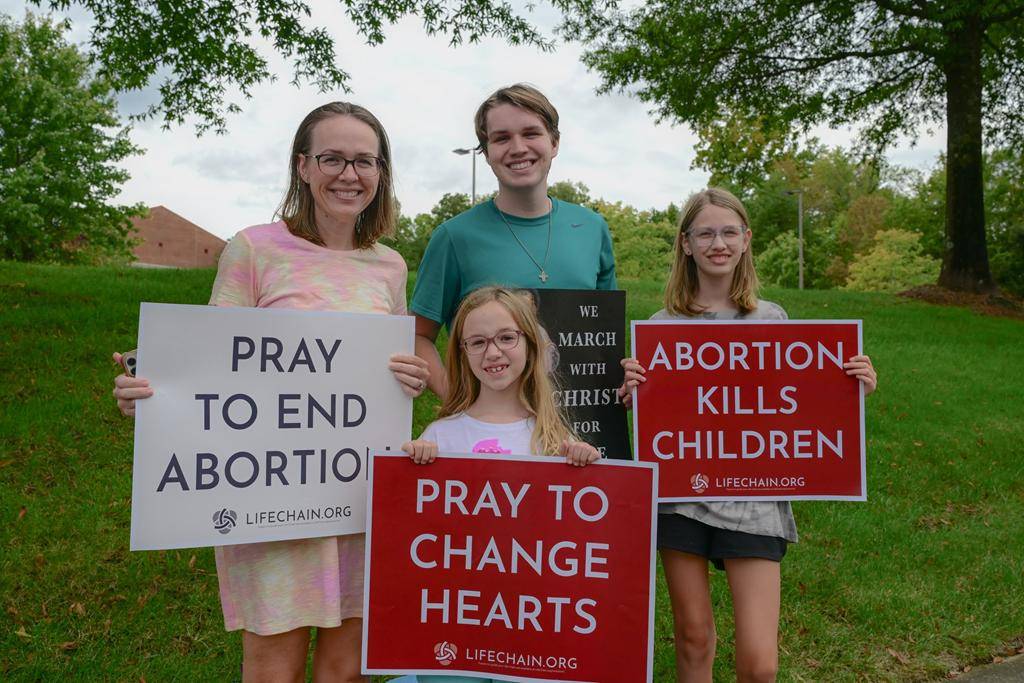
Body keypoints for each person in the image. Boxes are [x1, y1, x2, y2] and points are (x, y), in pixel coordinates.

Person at [112, 101, 430, 682]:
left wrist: (408, 378)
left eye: (365, 161)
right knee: (272, 666)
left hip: (357, 495)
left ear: (381, 172)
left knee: (346, 667)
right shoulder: (255, 249)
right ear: (303, 166)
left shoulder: (389, 266)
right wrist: (153, 393)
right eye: (332, 158)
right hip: (271, 498)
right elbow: (213, 362)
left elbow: (384, 369)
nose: (349, 174)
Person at [618, 188, 877, 683]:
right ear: (686, 244)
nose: (718, 243)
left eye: (729, 232)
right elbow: (664, 416)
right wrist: (634, 393)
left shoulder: (772, 318)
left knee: (760, 665)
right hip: (681, 497)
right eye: (705, 233)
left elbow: (793, 405)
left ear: (746, 239)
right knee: (693, 638)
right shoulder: (660, 327)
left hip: (755, 498)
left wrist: (847, 389)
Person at [399, 286, 600, 683]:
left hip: (530, 619)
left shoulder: (553, 440)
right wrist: (413, 471)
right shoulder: (441, 436)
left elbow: (576, 541)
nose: (492, 352)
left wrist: (585, 471)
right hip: (455, 621)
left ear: (529, 344)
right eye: (477, 342)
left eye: (506, 338)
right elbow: (413, 538)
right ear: (462, 353)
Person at [411, 84, 617, 398]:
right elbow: (418, 336)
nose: (518, 148)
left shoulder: (592, 228)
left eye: (531, 133)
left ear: (554, 142)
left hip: (578, 422)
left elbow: (605, 336)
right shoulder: (454, 237)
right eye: (502, 138)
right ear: (486, 152)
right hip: (490, 422)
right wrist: (455, 398)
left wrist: (620, 380)